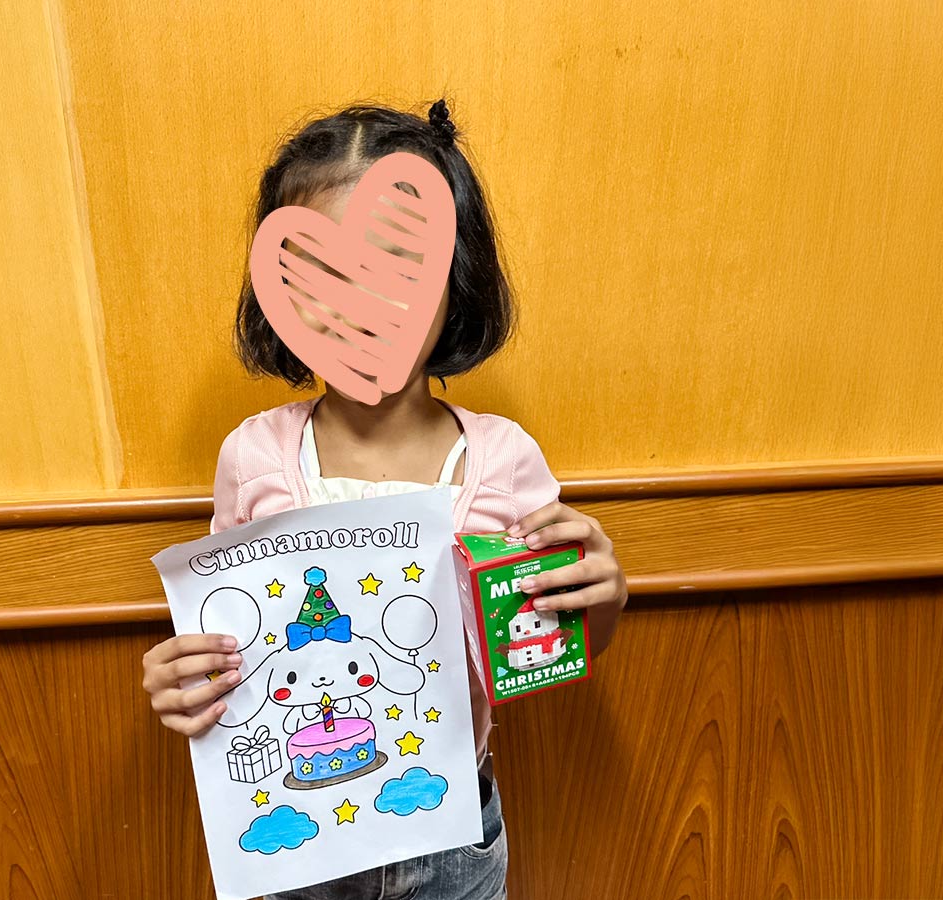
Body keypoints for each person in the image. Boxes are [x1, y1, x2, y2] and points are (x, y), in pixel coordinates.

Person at [141, 99, 627, 900]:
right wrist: (183, 679)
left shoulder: (502, 459)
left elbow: (554, 642)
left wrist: (601, 600)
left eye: (400, 268)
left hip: (454, 833)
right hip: (295, 840)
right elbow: (229, 648)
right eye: (325, 276)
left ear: (454, 274)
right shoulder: (255, 455)